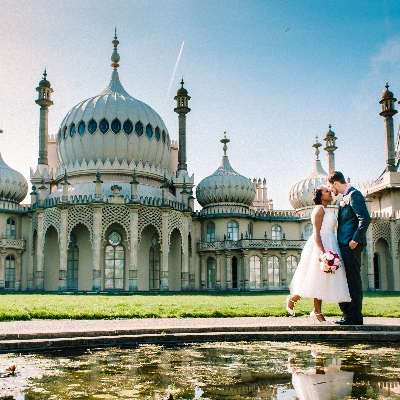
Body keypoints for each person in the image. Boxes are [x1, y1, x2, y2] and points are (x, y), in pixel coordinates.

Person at [286, 185, 351, 324]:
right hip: (320, 245)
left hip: (330, 242)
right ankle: (293, 299)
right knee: (313, 277)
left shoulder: (327, 210)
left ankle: (316, 312)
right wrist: (322, 252)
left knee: (321, 279)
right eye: (327, 191)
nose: (330, 193)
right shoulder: (319, 209)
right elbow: (315, 232)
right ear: (321, 196)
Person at [327, 171, 371, 326]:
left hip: (351, 245)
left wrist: (355, 239)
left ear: (336, 183)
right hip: (344, 244)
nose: (331, 190)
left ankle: (355, 316)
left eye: (330, 186)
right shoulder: (345, 198)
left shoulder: (354, 195)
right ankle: (349, 314)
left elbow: (364, 218)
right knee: (346, 280)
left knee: (353, 280)